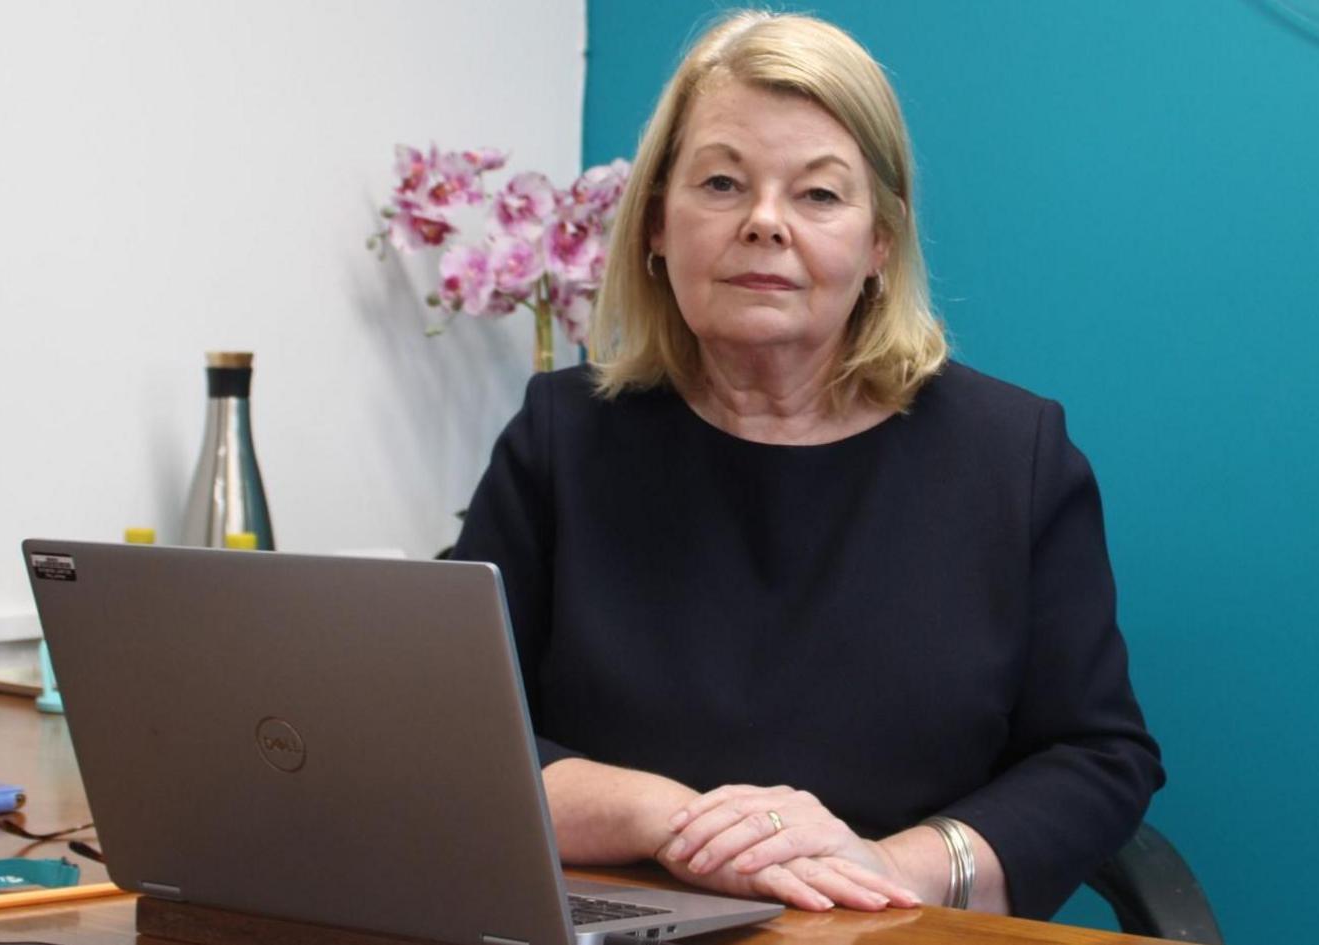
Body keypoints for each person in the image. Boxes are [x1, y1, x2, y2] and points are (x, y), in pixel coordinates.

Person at [452, 10, 1164, 922]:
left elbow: (1099, 756)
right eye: (720, 182)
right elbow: (457, 729)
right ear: (657, 225)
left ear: (879, 244)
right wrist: (673, 819)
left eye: (819, 195)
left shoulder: (1013, 457)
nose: (763, 224)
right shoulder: (561, 436)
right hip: (614, 920)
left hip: (882, 922)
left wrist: (887, 865)